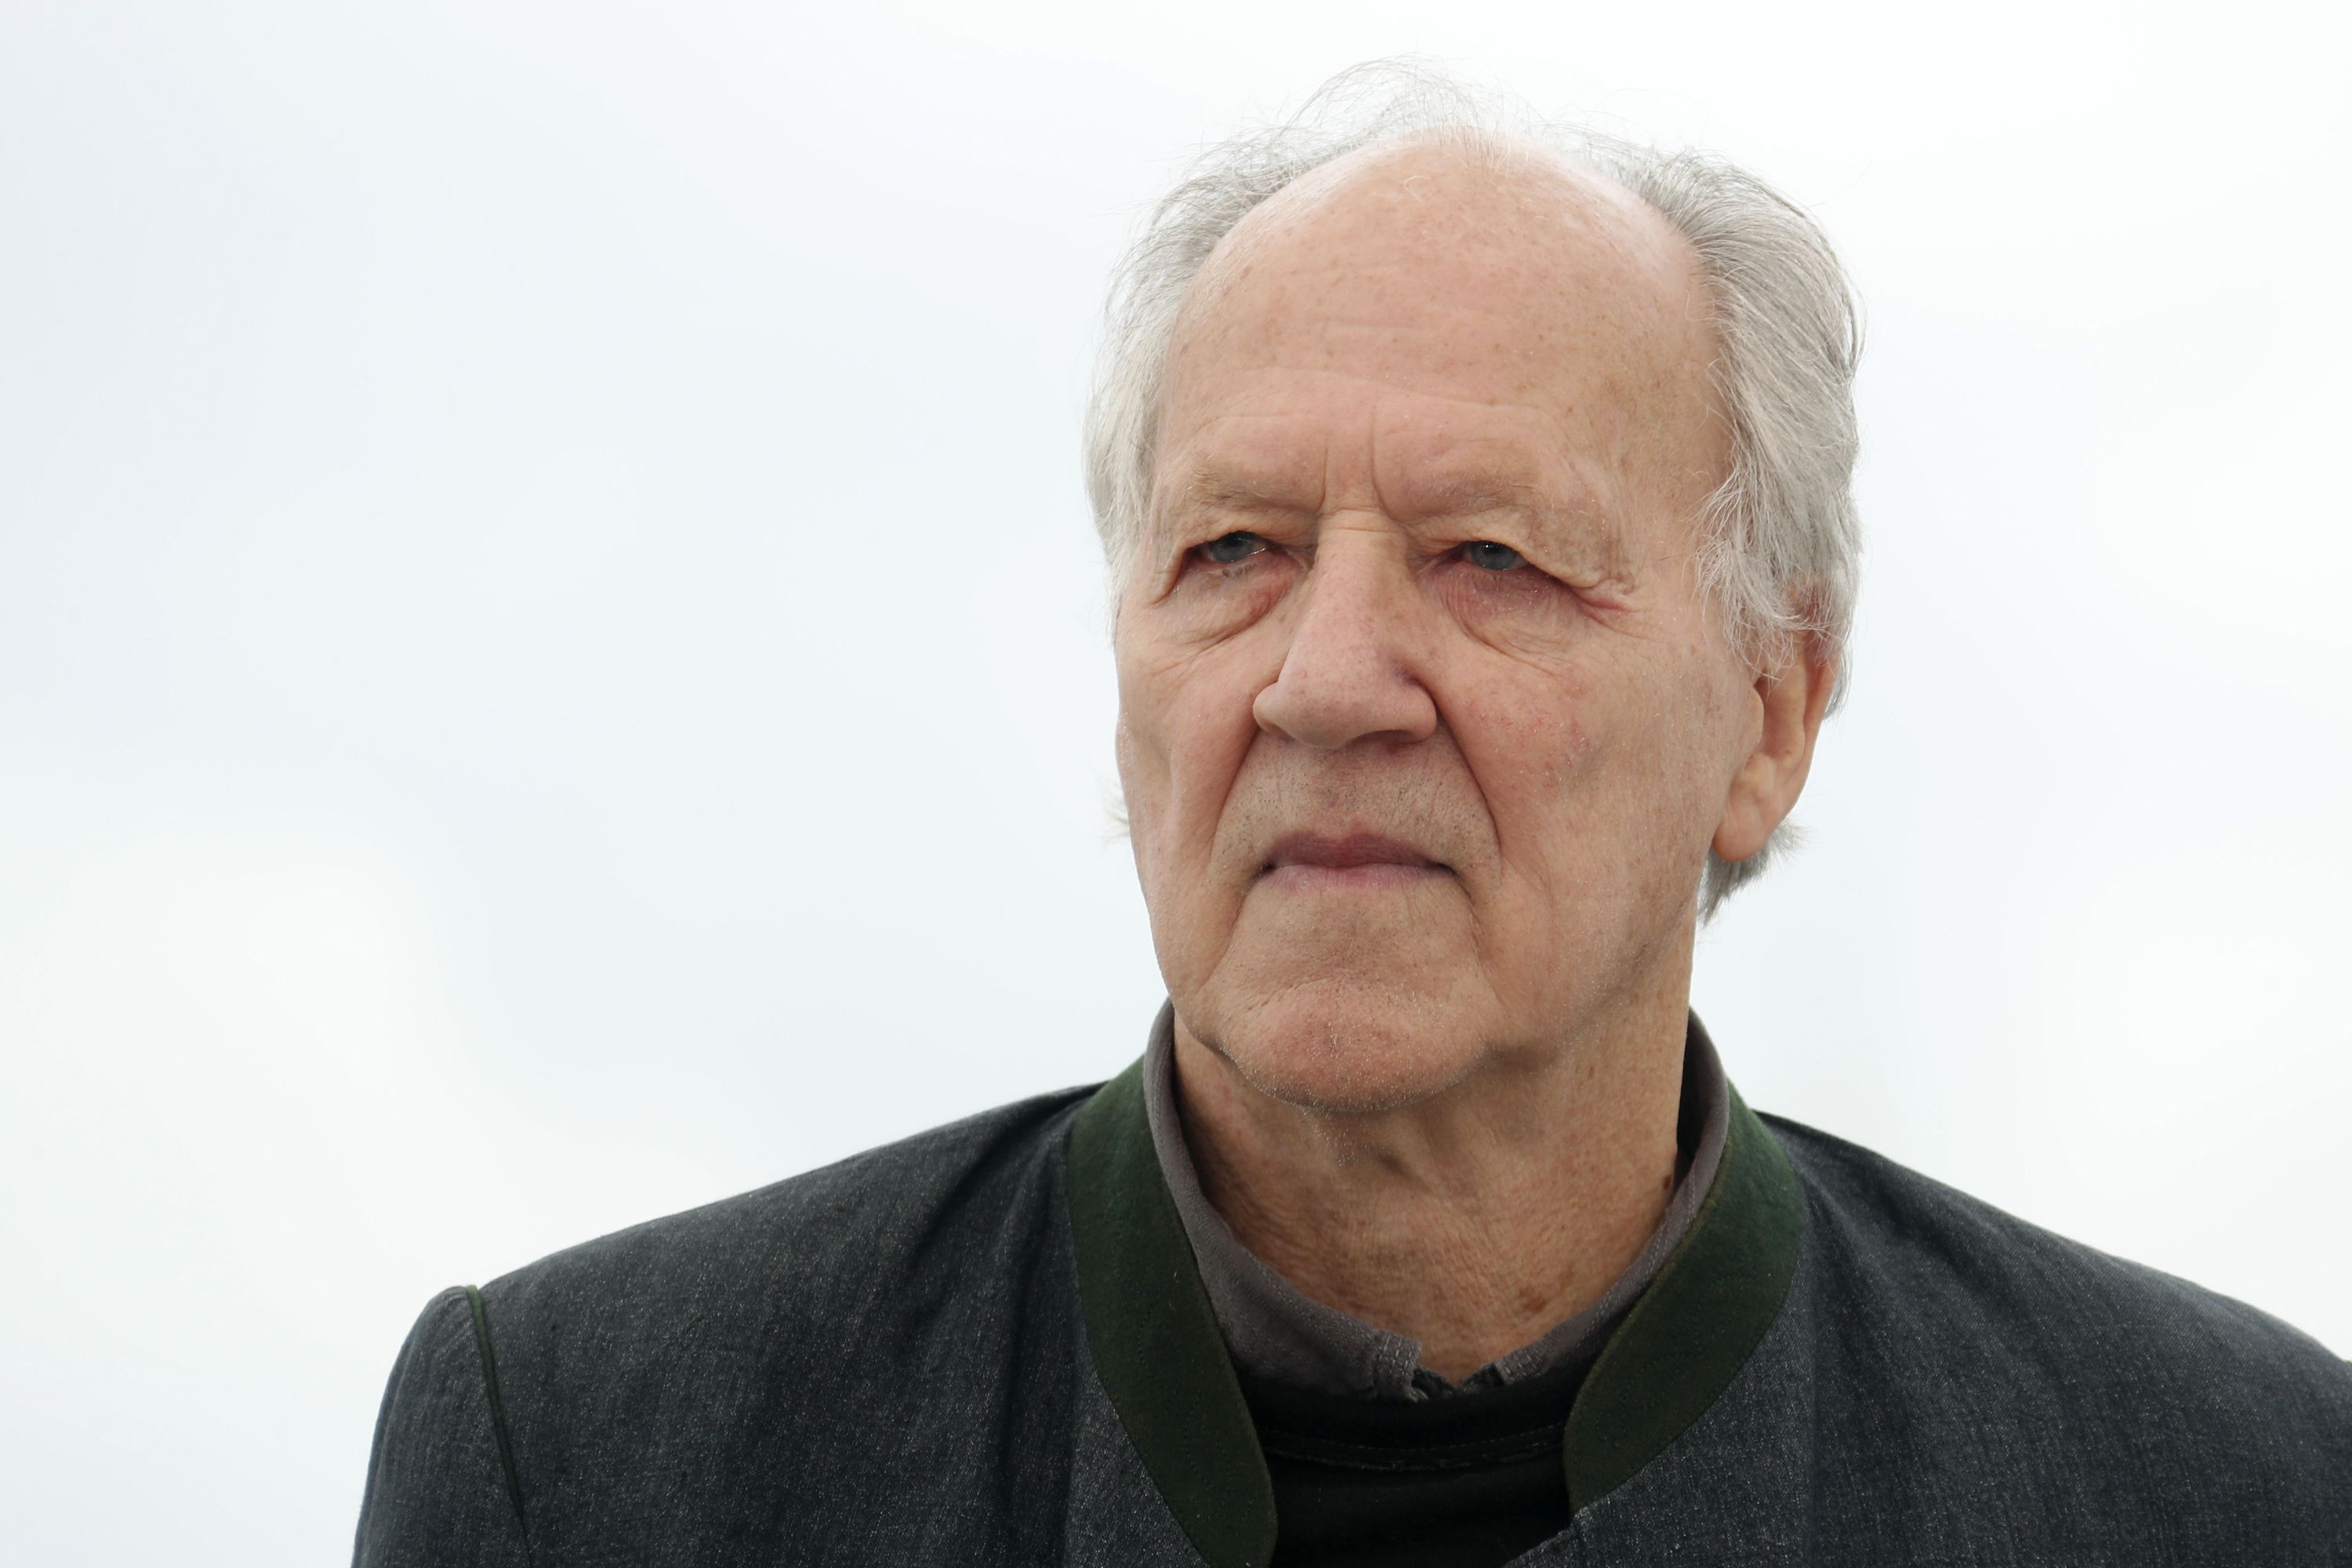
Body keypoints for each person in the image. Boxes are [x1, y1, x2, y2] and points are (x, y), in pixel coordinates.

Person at [351, 63, 2352, 1567]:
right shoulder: (593, 1463)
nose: (1322, 679)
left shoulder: (2232, 1488)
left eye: (1490, 556)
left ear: (1772, 709)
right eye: (1230, 549)